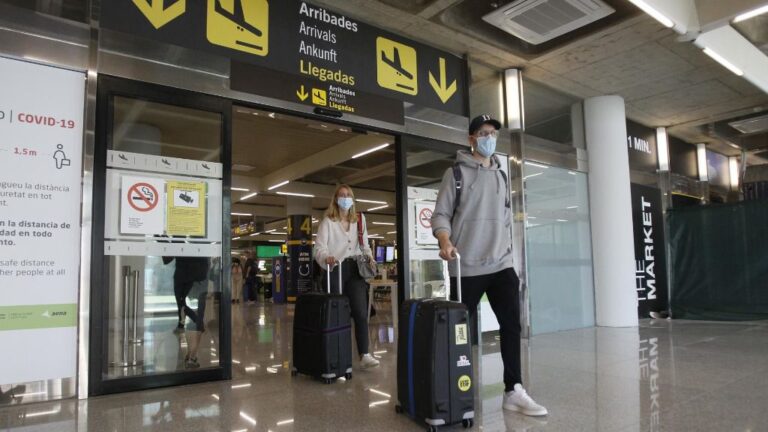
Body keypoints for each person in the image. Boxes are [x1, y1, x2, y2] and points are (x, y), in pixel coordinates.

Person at [431, 114, 548, 416]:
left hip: (501, 264)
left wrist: (508, 249)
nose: (489, 138)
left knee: (511, 325)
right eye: (483, 133)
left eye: (493, 133)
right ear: (471, 138)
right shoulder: (455, 173)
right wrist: (445, 242)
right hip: (466, 266)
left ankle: (514, 390)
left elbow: (506, 217)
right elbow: (441, 215)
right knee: (461, 334)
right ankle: (458, 387)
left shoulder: (501, 174)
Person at [314, 184, 380, 369]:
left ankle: (364, 353)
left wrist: (370, 258)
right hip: (336, 268)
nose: (345, 198)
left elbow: (364, 244)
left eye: (348, 195)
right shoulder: (328, 221)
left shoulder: (359, 219)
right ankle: (337, 353)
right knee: (338, 312)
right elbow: (319, 247)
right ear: (335, 199)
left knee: (360, 311)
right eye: (342, 195)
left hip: (355, 268)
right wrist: (325, 257)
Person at [163, 256, 210, 368]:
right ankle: (191, 356)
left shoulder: (178, 239)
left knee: (188, 312)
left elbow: (166, 258)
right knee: (196, 317)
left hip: (184, 277)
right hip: (198, 277)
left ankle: (191, 355)